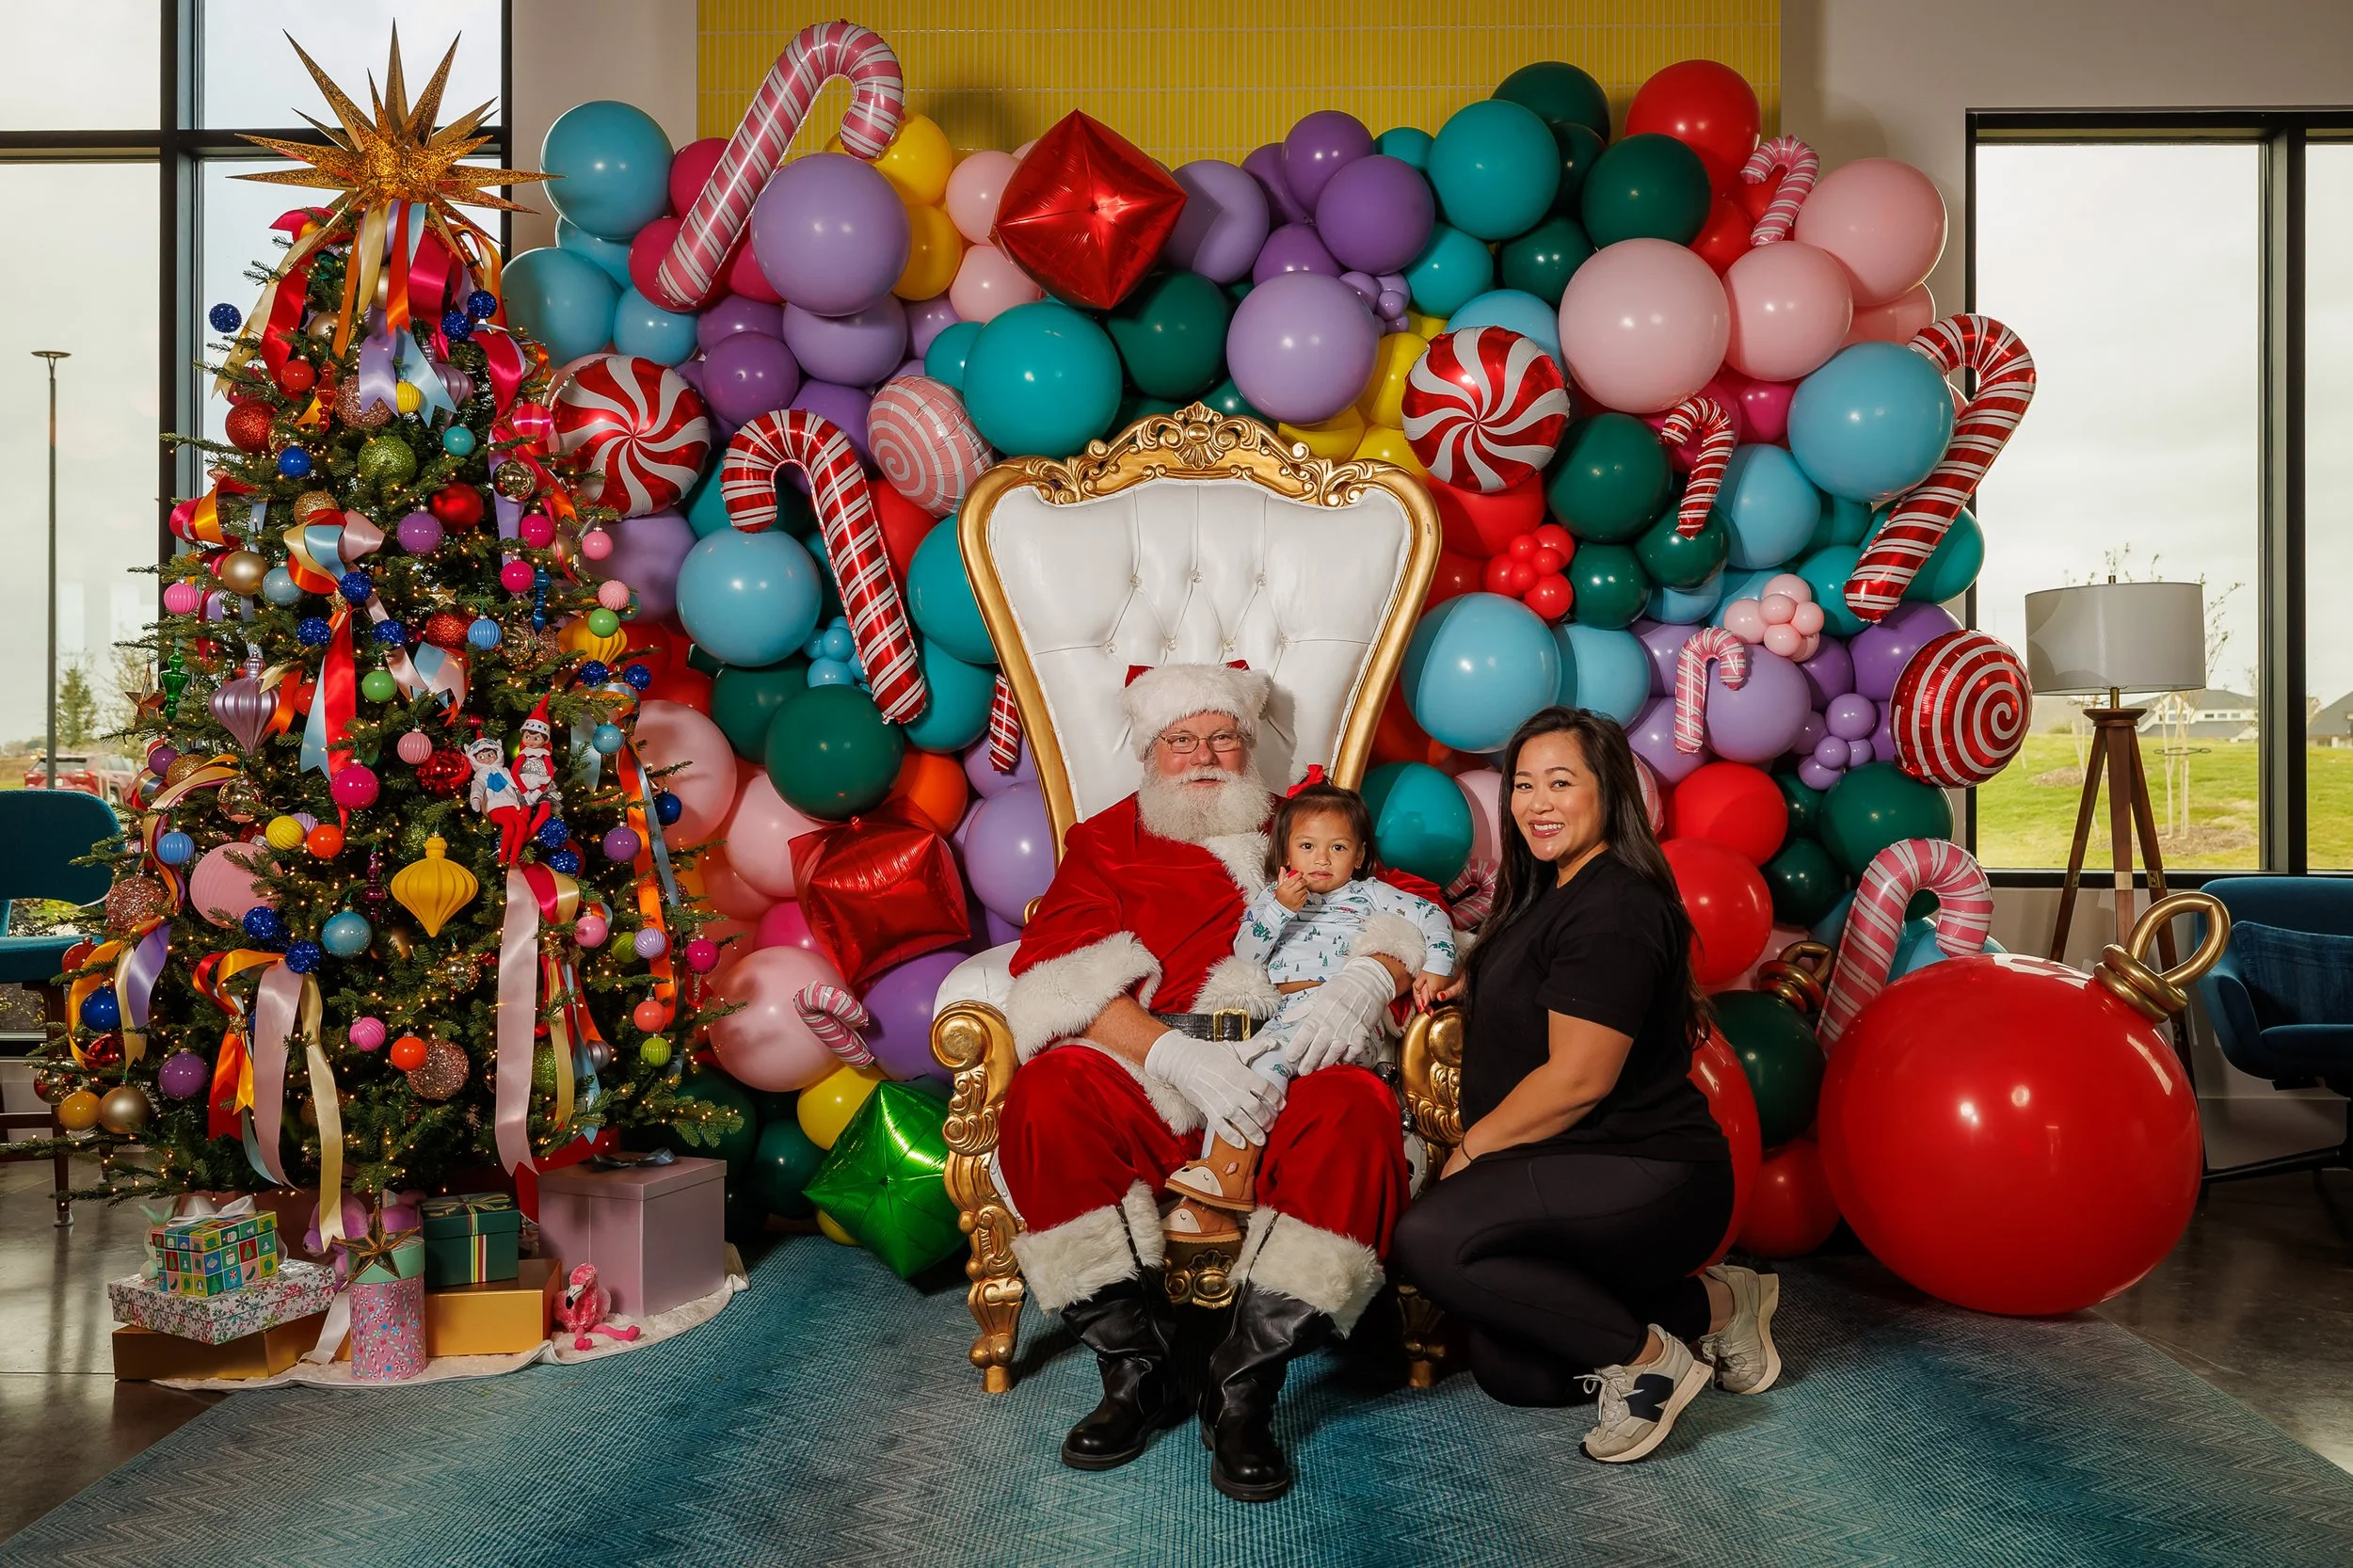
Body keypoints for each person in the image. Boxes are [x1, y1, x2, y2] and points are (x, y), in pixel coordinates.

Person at [996, 664, 1421, 1502]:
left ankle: (1242, 1389)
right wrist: (1170, 1055)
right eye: (1179, 738)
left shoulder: (1303, 824)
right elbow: (1053, 970)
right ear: (1150, 751)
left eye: (1221, 735)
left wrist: (1369, 975)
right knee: (1047, 1092)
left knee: (1359, 1108)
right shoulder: (1108, 839)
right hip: (1157, 1072)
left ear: (1248, 743)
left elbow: (1409, 903)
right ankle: (1134, 1370)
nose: (1203, 754)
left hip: (1288, 1068)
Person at [1393, 706, 1783, 1464]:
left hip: (1649, 1170)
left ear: (1608, 791)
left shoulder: (1618, 907)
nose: (1537, 804)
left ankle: (1650, 1368)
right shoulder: (1547, 893)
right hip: (1565, 1166)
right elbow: (1541, 976)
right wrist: (1467, 976)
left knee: (1430, 1237)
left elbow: (1577, 1078)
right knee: (1516, 1368)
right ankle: (1725, 1302)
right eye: (1523, 785)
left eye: (1560, 783)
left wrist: (1472, 1148)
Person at [1164, 772, 1456, 1248]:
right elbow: (1248, 954)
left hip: (1341, 1017)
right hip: (1283, 1015)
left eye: (1338, 848)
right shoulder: (1272, 901)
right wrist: (1277, 907)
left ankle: (1224, 1178)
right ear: (1285, 854)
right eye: (1307, 846)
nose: (1321, 859)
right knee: (1236, 1074)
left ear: (1360, 856)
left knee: (1265, 1067)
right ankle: (1215, 1192)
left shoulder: (1371, 895)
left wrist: (1439, 965)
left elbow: (1432, 917)